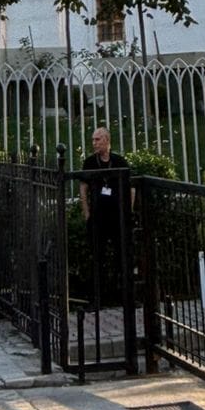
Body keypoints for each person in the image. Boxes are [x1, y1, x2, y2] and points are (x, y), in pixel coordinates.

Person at [79, 125, 134, 307]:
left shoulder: (119, 161)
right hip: (98, 218)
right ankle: (96, 299)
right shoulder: (89, 163)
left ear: (107, 141)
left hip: (117, 216)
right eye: (93, 139)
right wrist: (86, 212)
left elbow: (131, 187)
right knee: (97, 257)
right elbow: (83, 188)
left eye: (97, 139)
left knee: (123, 256)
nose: (94, 143)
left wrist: (128, 211)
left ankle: (126, 297)